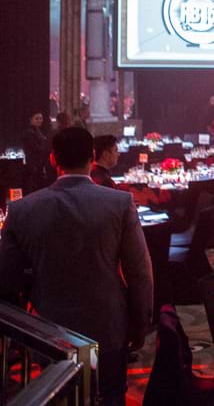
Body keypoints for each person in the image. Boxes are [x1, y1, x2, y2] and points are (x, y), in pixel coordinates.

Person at [0, 127, 152, 406]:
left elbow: (7, 280)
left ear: (52, 159)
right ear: (93, 157)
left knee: (59, 398)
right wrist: (141, 322)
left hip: (49, 329)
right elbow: (139, 272)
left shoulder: (22, 209)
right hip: (108, 324)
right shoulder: (119, 203)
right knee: (110, 396)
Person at [21, 111, 50, 192]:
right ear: (31, 120)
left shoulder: (37, 131)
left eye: (41, 118)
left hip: (38, 164)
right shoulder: (29, 133)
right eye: (37, 118)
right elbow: (35, 148)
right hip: (34, 164)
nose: (39, 120)